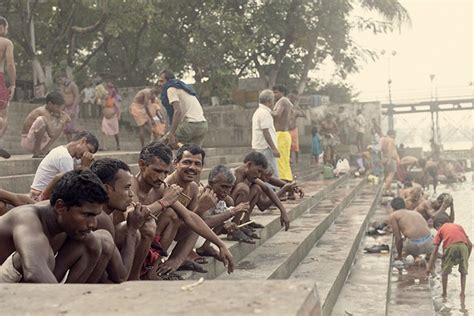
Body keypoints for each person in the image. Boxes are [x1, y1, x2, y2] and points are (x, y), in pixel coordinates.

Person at [130, 142, 233, 278]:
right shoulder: (131, 183)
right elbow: (134, 216)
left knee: (180, 217)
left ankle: (154, 269)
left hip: (152, 245)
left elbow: (190, 217)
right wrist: (164, 202)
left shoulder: (162, 188)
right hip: (128, 244)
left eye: (165, 172)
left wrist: (220, 244)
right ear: (142, 165)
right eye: (157, 171)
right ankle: (139, 274)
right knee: (160, 219)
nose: (161, 177)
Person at [0, 170, 113, 283]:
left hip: (35, 284)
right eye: (87, 215)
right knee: (38, 254)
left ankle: (72, 296)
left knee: (92, 242)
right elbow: (34, 272)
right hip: (7, 288)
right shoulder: (27, 219)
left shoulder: (62, 219)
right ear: (60, 207)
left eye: (95, 216)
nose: (93, 224)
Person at [90, 158, 155, 281]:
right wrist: (132, 229)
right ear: (106, 189)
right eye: (126, 188)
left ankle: (133, 277)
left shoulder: (107, 212)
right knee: (131, 232)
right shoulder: (100, 216)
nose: (131, 194)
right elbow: (120, 276)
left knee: (131, 232)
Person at [230, 152, 290, 240]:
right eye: (258, 171)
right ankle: (234, 229)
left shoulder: (249, 175)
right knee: (243, 188)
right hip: (226, 212)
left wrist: (283, 211)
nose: (259, 175)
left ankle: (243, 222)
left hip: (235, 209)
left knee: (257, 188)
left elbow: (267, 188)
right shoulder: (233, 175)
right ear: (249, 164)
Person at [195, 165, 250, 259]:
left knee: (226, 212)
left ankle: (205, 246)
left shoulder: (224, 199)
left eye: (229, 188)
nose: (226, 191)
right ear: (211, 183)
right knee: (228, 212)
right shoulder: (202, 195)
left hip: (201, 238)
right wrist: (233, 211)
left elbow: (219, 221)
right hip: (189, 236)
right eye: (223, 187)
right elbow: (202, 223)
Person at [30, 131, 98, 201]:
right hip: (39, 197)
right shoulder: (64, 156)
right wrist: (85, 167)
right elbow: (72, 186)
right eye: (89, 150)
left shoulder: (70, 155)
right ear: (83, 141)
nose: (88, 154)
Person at [158, 69, 208, 148]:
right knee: (193, 155)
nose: (159, 84)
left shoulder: (170, 89)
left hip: (190, 125)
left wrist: (171, 134)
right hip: (202, 125)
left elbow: (177, 111)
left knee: (160, 147)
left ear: (169, 81)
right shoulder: (184, 88)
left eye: (161, 81)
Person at [426, 216, 472, 298]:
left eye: (436, 228)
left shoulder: (441, 229)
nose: (437, 231)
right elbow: (470, 244)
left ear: (438, 225)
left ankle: (444, 293)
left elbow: (434, 252)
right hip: (464, 246)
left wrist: (428, 269)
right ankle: (462, 293)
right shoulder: (458, 226)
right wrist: (466, 258)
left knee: (445, 272)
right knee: (463, 272)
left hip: (451, 247)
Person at [21, 92, 70, 158]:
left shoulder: (52, 112)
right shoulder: (42, 111)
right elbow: (52, 133)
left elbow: (68, 119)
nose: (59, 109)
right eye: (57, 107)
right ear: (50, 104)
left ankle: (44, 150)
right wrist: (62, 121)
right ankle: (37, 151)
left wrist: (61, 118)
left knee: (62, 125)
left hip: (41, 141)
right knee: (41, 120)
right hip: (28, 142)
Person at [251, 89, 279, 179]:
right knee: (271, 173)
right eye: (273, 100)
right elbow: (266, 132)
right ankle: (273, 192)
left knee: (264, 173)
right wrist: (274, 148)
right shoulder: (264, 113)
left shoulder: (260, 111)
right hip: (266, 147)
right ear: (269, 101)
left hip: (261, 146)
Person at [0, 17, 16, 159]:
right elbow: (10, 64)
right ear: (2, 27)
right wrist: (13, 84)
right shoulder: (6, 42)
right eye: (6, 27)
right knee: (3, 117)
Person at [272, 85, 293, 185]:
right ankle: (289, 189)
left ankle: (284, 188)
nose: (274, 94)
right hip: (283, 135)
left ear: (282, 92)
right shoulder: (285, 101)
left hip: (281, 135)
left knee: (280, 163)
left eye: (276, 92)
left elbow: (277, 115)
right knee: (284, 162)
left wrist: (266, 111)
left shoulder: (283, 101)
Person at [129, 84, 161, 148]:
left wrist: (158, 117)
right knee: (142, 127)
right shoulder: (147, 92)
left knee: (152, 126)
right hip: (137, 108)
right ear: (154, 88)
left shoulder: (153, 95)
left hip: (143, 108)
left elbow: (154, 106)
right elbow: (146, 107)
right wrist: (152, 118)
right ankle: (143, 146)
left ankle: (154, 143)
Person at [59, 74, 80, 141]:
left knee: (72, 128)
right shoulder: (62, 86)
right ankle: (70, 143)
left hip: (72, 107)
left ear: (65, 78)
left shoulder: (73, 85)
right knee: (66, 129)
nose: (60, 81)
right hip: (65, 107)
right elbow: (63, 97)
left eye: (61, 79)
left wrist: (73, 109)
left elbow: (77, 96)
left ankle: (81, 137)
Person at [101, 82, 121, 151]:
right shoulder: (104, 98)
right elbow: (102, 106)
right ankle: (104, 146)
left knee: (116, 132)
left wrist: (118, 115)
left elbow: (118, 107)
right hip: (106, 118)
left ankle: (118, 145)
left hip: (113, 117)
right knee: (104, 131)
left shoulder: (114, 98)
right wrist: (104, 99)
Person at [380, 129, 399, 196]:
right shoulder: (390, 140)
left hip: (384, 158)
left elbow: (381, 149)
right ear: (392, 134)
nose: (395, 136)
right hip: (390, 159)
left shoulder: (382, 139)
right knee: (391, 175)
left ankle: (389, 191)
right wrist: (389, 160)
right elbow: (390, 150)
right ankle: (384, 190)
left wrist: (383, 159)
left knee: (386, 176)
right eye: (395, 135)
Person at [288, 98, 306, 164]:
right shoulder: (284, 112)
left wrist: (299, 108)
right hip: (287, 130)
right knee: (288, 145)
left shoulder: (295, 112)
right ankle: (290, 159)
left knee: (296, 146)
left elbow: (304, 115)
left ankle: (297, 160)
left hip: (294, 130)